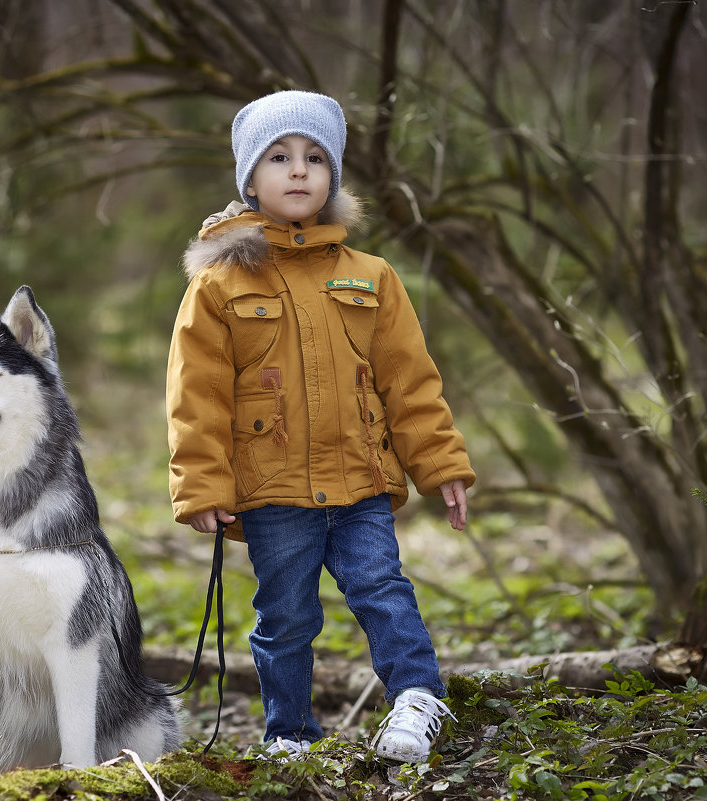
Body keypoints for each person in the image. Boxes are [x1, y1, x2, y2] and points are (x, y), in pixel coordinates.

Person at [165, 90, 476, 763]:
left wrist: (440, 463)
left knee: (382, 589)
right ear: (250, 178)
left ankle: (418, 699)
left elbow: (410, 383)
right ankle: (289, 734)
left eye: (314, 157)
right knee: (284, 616)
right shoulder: (219, 284)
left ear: (332, 175)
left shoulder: (371, 277)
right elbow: (197, 394)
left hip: (360, 478)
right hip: (271, 488)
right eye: (279, 157)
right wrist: (201, 486)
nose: (298, 170)